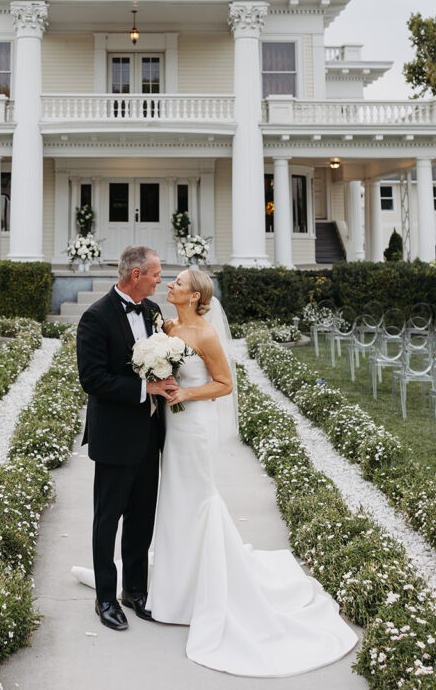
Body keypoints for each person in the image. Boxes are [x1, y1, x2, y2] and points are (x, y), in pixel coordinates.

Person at [145, 268, 358, 676]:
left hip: (195, 425)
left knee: (198, 499)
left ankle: (201, 589)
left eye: (178, 283)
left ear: (193, 296)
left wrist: (186, 391)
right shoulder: (166, 325)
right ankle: (174, 590)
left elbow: (224, 383)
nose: (170, 285)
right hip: (173, 426)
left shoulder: (206, 334)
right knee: (174, 500)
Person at [76, 245, 177, 632]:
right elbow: (93, 379)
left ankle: (135, 590)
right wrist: (146, 388)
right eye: (155, 274)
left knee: (141, 517)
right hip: (115, 437)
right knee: (108, 520)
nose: (159, 280)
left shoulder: (152, 312)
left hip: (149, 435)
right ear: (136, 276)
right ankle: (105, 597)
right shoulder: (95, 317)